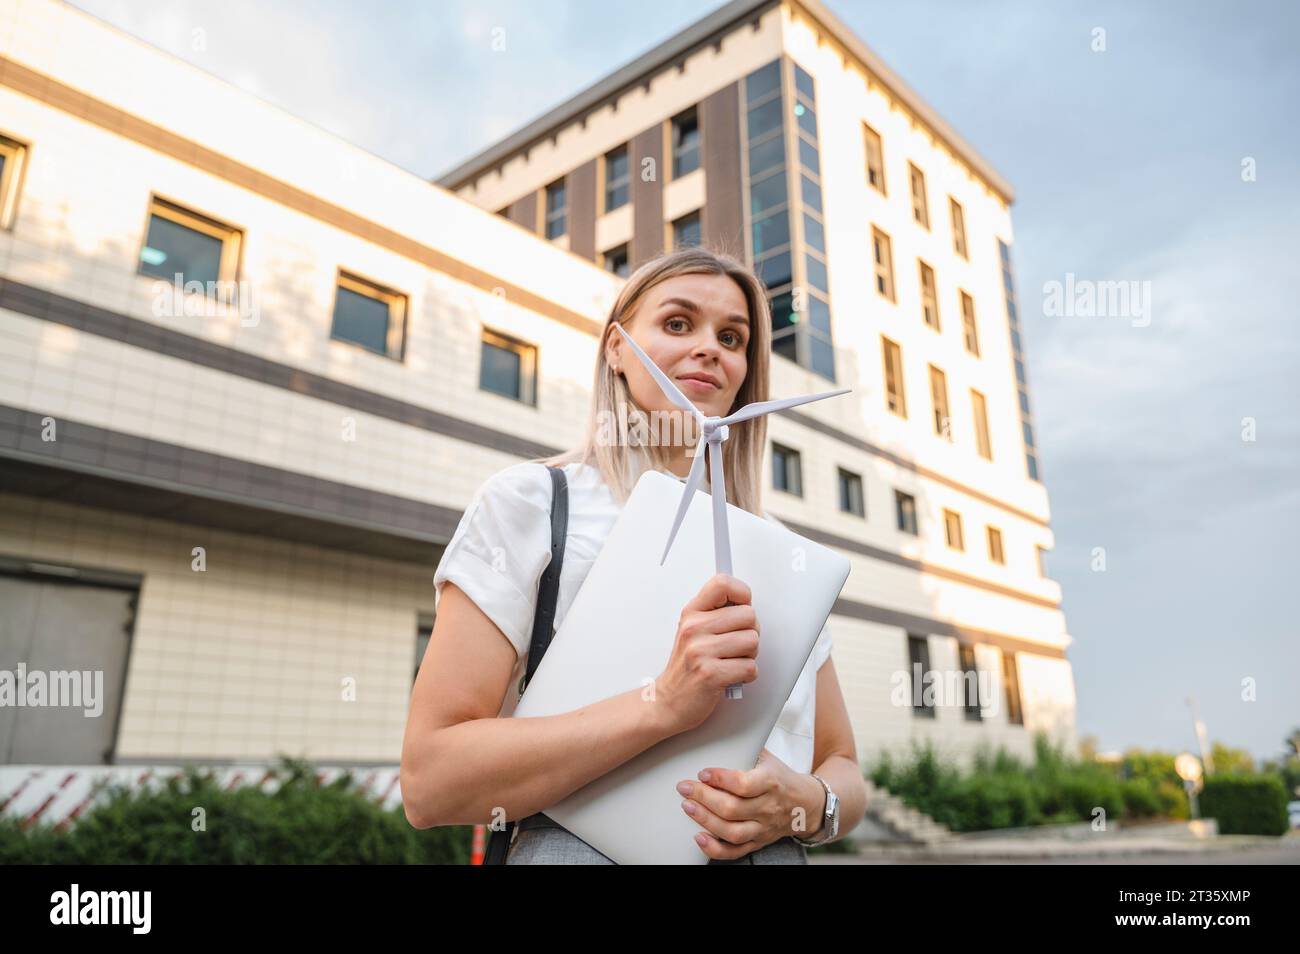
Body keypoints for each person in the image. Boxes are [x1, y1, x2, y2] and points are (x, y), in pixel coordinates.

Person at [401, 246, 865, 863]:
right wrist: (662, 705)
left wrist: (804, 803)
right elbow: (431, 782)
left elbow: (846, 770)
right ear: (617, 348)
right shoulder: (531, 504)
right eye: (678, 323)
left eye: (733, 337)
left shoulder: (781, 555)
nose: (710, 348)